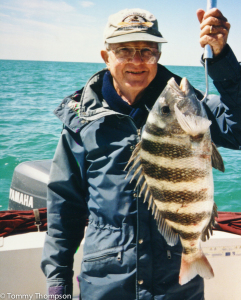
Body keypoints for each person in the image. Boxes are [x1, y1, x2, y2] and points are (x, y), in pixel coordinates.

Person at [41, 7, 241, 300]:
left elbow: (236, 129)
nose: (137, 61)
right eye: (124, 50)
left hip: (176, 288)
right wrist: (57, 285)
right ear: (105, 56)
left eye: (147, 51)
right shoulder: (81, 121)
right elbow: (64, 209)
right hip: (106, 286)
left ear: (158, 56)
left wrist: (222, 59)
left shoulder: (187, 105)